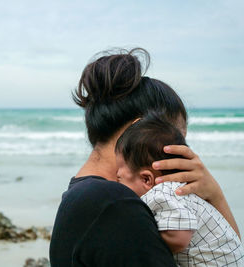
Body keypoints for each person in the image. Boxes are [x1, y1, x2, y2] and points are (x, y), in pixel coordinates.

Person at [49, 48, 241, 267]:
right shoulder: (114, 203)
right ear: (139, 129)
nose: (186, 155)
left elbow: (227, 255)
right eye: (176, 140)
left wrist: (214, 196)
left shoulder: (89, 197)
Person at [115, 113, 244, 266]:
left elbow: (180, 238)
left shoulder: (163, 192)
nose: (117, 183)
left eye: (119, 178)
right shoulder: (182, 192)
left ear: (146, 179)